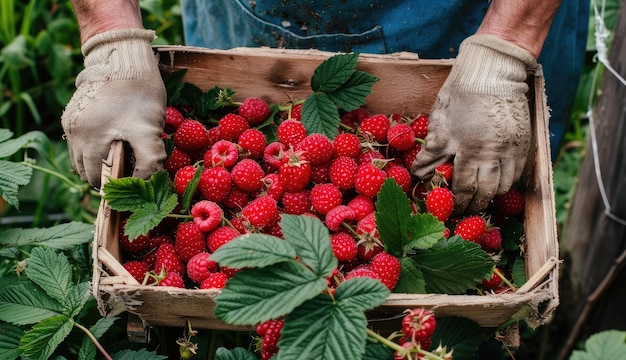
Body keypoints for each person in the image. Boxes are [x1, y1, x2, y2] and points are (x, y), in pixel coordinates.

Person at [62, 0, 587, 213]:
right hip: (253, 9)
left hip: (474, 11)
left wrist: (507, 43)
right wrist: (109, 32)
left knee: (490, 185)